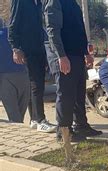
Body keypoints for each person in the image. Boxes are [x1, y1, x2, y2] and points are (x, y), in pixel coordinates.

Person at [44, 0, 102, 142]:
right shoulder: (55, 2)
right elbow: (53, 30)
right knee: (66, 95)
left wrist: (86, 52)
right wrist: (61, 56)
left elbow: (79, 29)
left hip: (76, 54)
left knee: (78, 93)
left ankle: (81, 126)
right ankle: (64, 131)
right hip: (64, 55)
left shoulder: (73, 3)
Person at [8, 0, 56, 132]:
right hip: (27, 48)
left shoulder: (39, 3)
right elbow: (13, 23)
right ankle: (41, 120)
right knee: (36, 84)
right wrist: (15, 48)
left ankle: (34, 119)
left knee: (35, 84)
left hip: (39, 47)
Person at [0, 19, 30, 123]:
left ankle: (21, 136)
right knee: (20, 116)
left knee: (15, 119)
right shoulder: (16, 35)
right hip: (24, 75)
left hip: (6, 79)